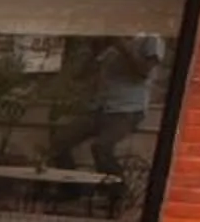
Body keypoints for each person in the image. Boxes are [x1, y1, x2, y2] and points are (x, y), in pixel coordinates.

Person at [50, 34, 163, 175]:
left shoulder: (149, 39)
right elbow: (83, 75)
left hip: (127, 110)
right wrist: (95, 51)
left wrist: (122, 46)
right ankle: (73, 189)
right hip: (100, 107)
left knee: (101, 147)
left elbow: (144, 71)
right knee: (60, 141)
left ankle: (117, 191)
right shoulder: (110, 47)